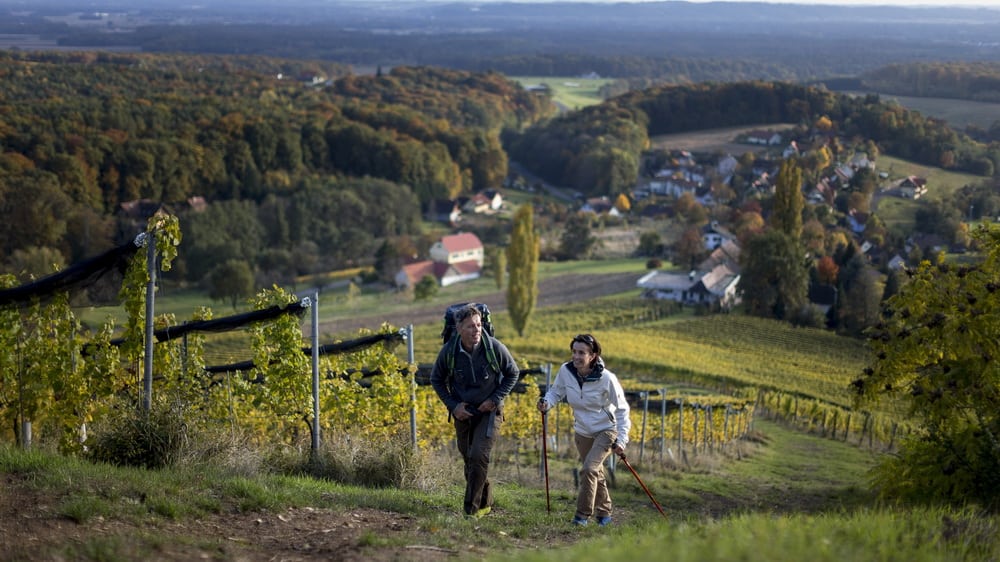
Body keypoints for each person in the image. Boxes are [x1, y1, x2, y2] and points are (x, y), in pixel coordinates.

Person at [430, 303, 519, 518]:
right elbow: (436, 379)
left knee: (479, 455)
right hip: (463, 412)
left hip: (490, 412)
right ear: (459, 328)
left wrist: (494, 399)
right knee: (470, 459)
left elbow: (513, 373)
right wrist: (454, 406)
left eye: (478, 325)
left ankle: (470, 511)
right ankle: (485, 502)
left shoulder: (494, 347)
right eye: (470, 326)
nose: (476, 330)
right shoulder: (449, 352)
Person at [537, 333, 631, 527]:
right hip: (582, 431)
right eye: (574, 352)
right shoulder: (566, 371)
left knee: (589, 469)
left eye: (582, 353)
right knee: (594, 471)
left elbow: (622, 409)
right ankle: (604, 513)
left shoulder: (606, 378)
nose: (576, 356)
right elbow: (556, 392)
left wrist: (621, 439)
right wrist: (547, 402)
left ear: (593, 355)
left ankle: (582, 516)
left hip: (606, 430)